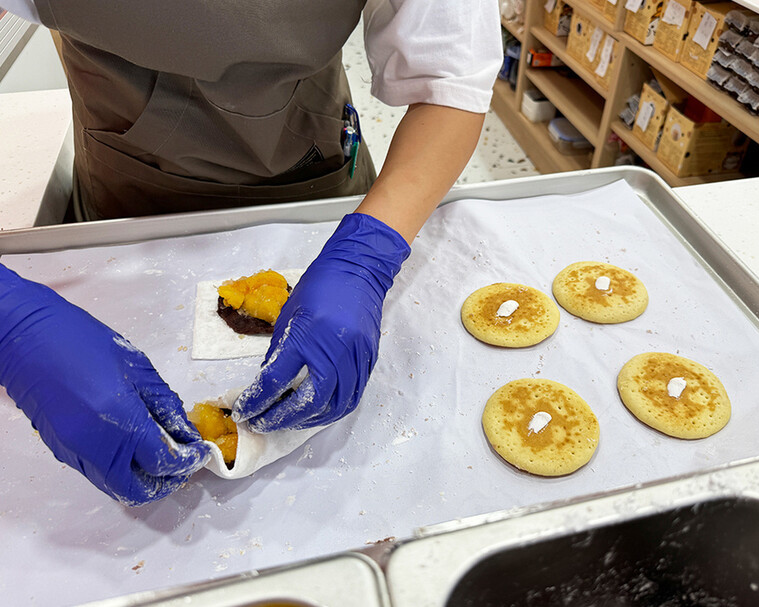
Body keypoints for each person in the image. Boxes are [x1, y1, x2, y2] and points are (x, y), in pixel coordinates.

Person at [0, 0, 503, 505]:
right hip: (124, 186)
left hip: (312, 167)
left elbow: (451, 78)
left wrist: (368, 254)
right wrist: (10, 321)